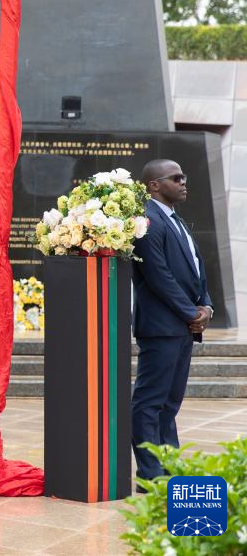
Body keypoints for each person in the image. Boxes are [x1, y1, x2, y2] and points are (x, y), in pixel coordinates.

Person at [131, 159, 212, 482]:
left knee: (170, 402)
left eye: (183, 177)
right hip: (161, 327)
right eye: (175, 178)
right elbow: (158, 276)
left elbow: (195, 269)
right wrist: (191, 313)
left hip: (181, 326)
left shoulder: (174, 220)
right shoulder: (147, 221)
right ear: (154, 185)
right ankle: (150, 473)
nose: (183, 182)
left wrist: (206, 307)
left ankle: (169, 465)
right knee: (150, 401)